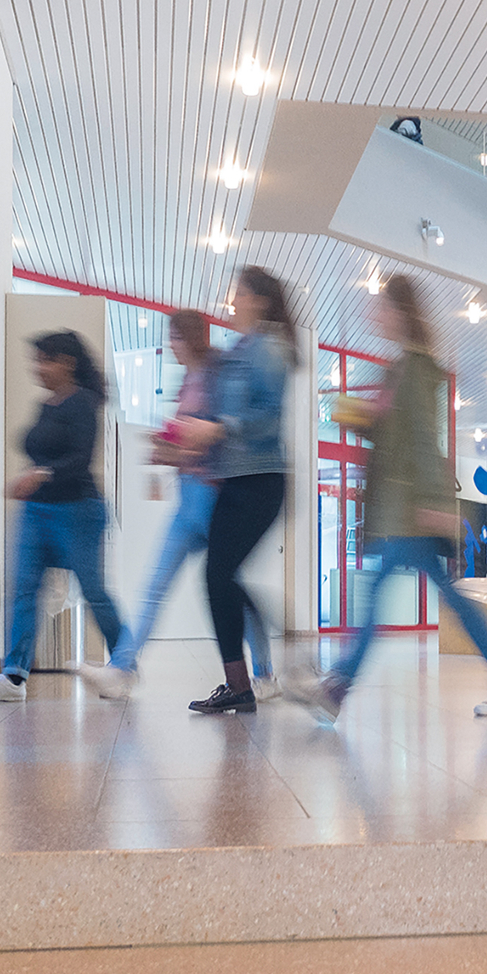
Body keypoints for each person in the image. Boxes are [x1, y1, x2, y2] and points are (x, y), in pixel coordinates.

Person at [311, 275, 487, 719]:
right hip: (399, 509)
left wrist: (437, 503)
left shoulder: (419, 370)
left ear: (401, 313)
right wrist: (365, 421)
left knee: (382, 595)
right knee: (445, 595)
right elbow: (399, 436)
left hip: (409, 511)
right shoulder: (401, 368)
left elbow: (427, 441)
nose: (375, 315)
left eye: (381, 308)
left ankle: (339, 686)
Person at [83, 310, 275, 702]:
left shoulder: (218, 375)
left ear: (191, 337)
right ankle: (122, 668)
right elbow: (188, 437)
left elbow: (218, 435)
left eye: (175, 337)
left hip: (211, 497)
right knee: (156, 584)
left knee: (230, 586)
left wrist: (180, 445)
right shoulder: (187, 380)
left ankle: (265, 673)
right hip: (188, 497)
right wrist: (167, 449)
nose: (170, 345)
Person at [0, 331, 128, 702]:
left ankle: (124, 665)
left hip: (79, 511)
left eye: (45, 360)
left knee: (94, 592)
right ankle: (13, 677)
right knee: (23, 590)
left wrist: (41, 474)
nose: (37, 368)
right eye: (36, 360)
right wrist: (33, 478)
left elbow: (80, 459)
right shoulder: (47, 405)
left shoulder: (84, 403)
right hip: (36, 512)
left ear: (67, 363)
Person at [170, 266, 297, 714]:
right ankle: (239, 686)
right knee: (217, 576)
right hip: (235, 478)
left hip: (261, 479)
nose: (233, 300)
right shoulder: (240, 350)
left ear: (260, 300)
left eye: (240, 293)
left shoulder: (270, 348)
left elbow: (268, 417)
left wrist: (219, 428)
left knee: (220, 574)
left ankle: (257, 673)